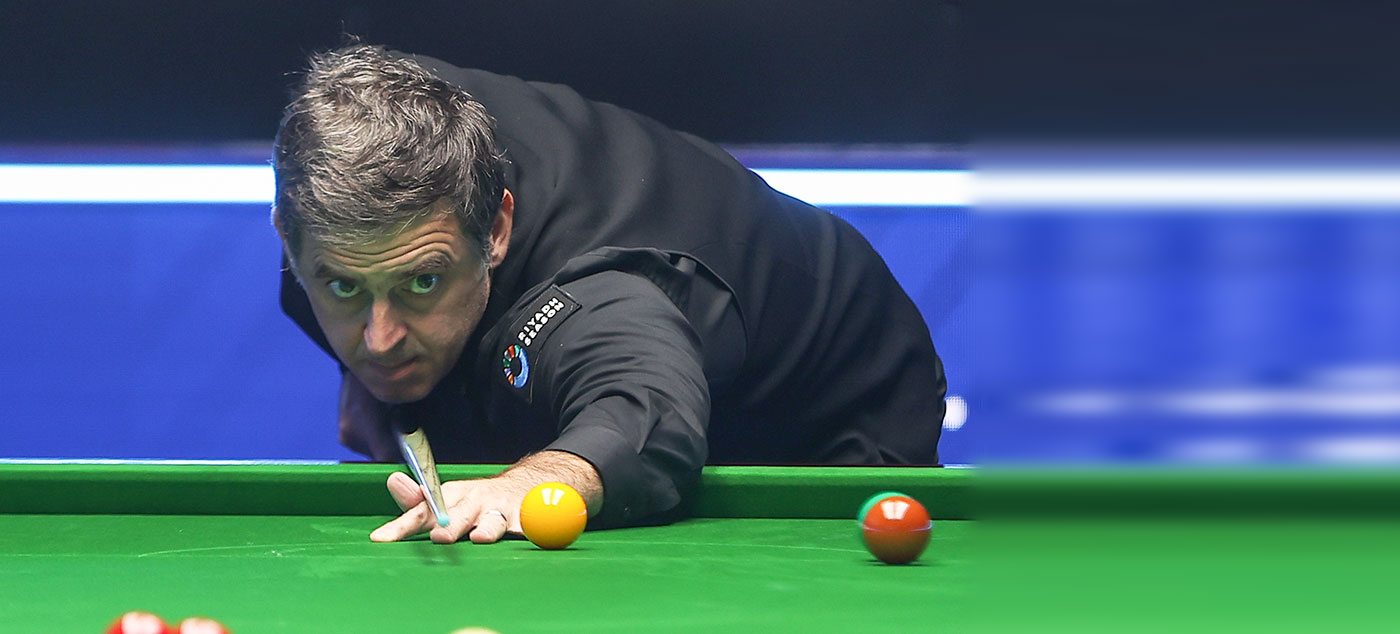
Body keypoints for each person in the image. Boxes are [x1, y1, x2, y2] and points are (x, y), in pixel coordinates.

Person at [273, 44, 946, 545]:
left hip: (823, 407)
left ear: (496, 229)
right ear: (285, 234)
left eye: (422, 282)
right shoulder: (349, 180)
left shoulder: (602, 291)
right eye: (345, 287)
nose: (379, 336)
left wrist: (526, 484)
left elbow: (645, 409)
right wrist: (385, 384)